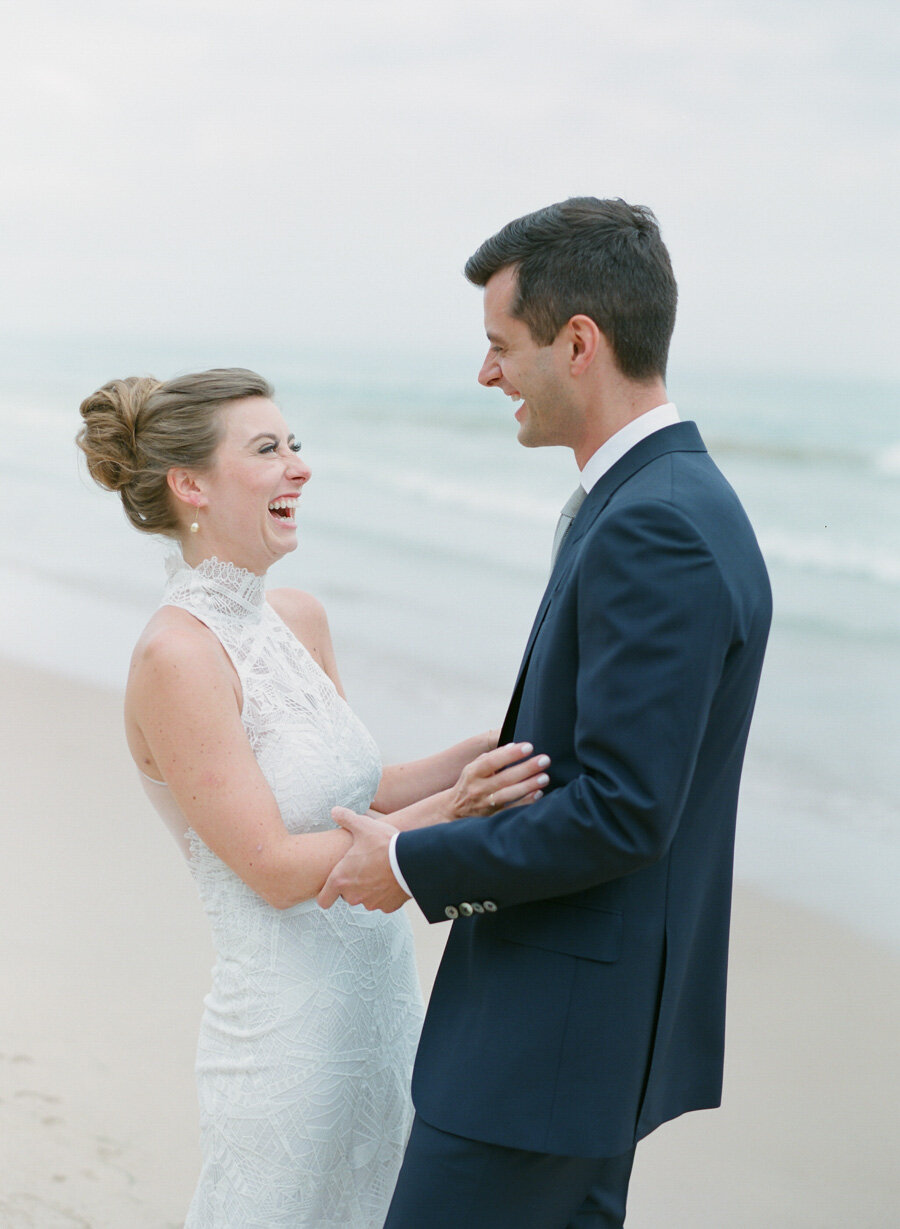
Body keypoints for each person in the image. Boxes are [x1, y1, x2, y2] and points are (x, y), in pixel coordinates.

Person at [318, 197, 773, 1228]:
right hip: (581, 1050)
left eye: (500, 345)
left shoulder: (657, 526)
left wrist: (406, 861)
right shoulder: (670, 499)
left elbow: (623, 809)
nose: (487, 374)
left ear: (579, 342)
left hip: (544, 1054)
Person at [75, 368, 550, 1228]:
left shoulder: (300, 618)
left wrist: (476, 756)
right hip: (285, 1048)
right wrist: (458, 810)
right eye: (267, 450)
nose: (299, 467)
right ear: (191, 485)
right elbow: (275, 867)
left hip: (384, 1014)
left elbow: (354, 793)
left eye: (295, 444)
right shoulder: (176, 658)